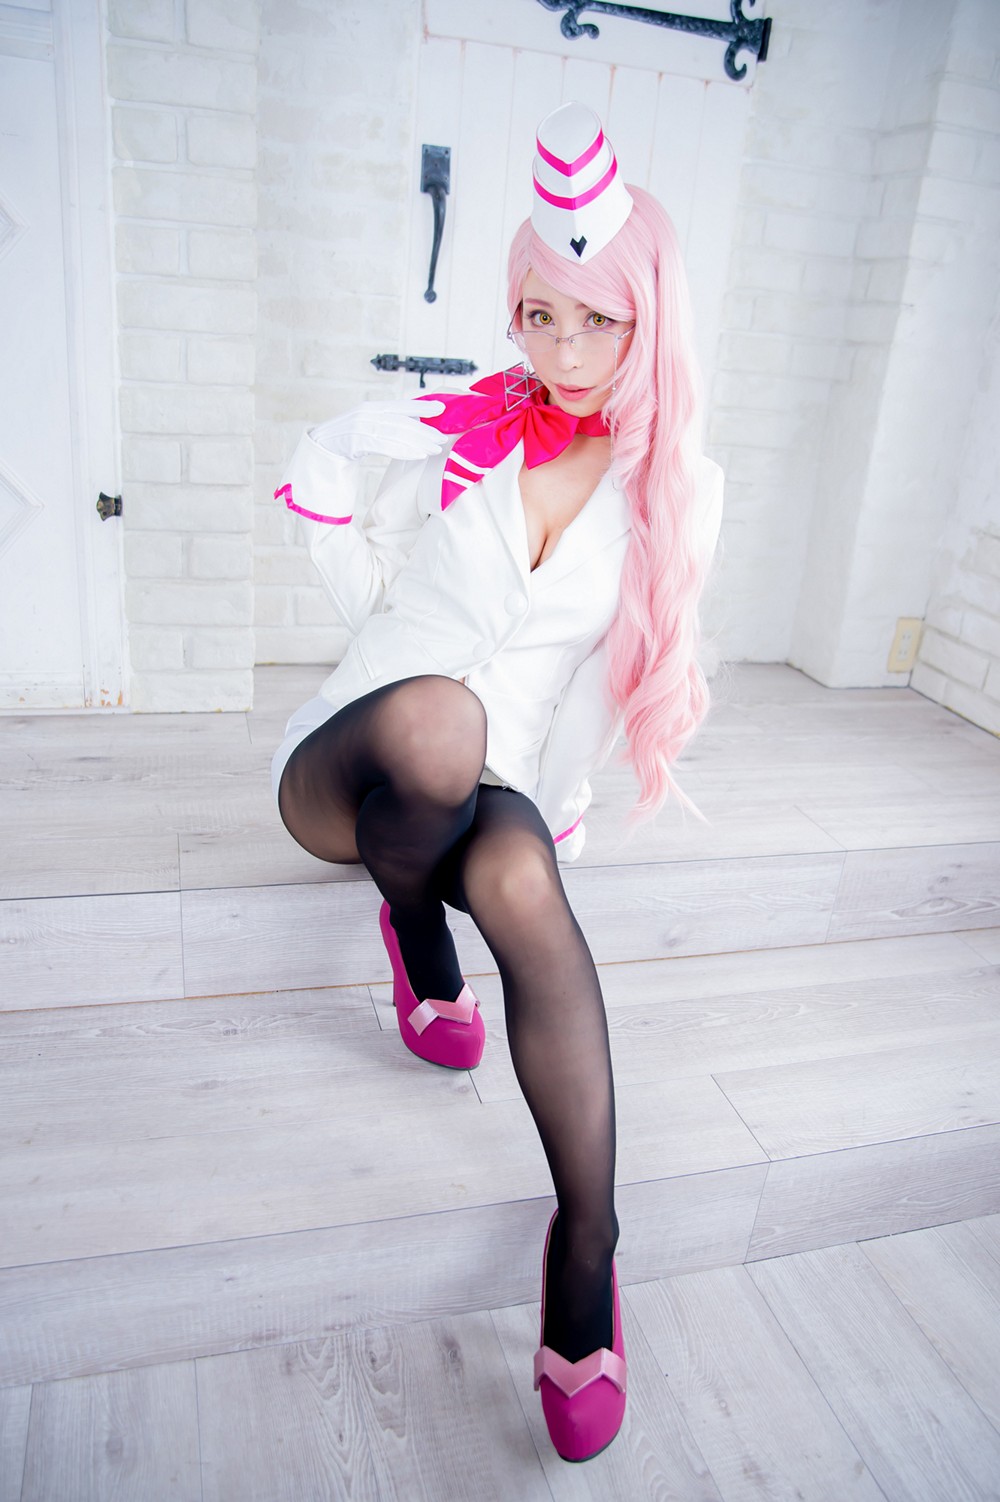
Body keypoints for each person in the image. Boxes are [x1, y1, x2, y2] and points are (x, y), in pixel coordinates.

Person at [271, 101, 723, 1463]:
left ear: (647, 319)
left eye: (597, 321)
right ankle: (412, 926)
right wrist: (375, 617)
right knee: (439, 719)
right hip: (361, 750)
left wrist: (559, 805)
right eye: (539, 316)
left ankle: (587, 1243)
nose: (562, 350)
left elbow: (599, 684)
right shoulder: (467, 417)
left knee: (521, 870)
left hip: (506, 766)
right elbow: (324, 480)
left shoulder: (675, 491)